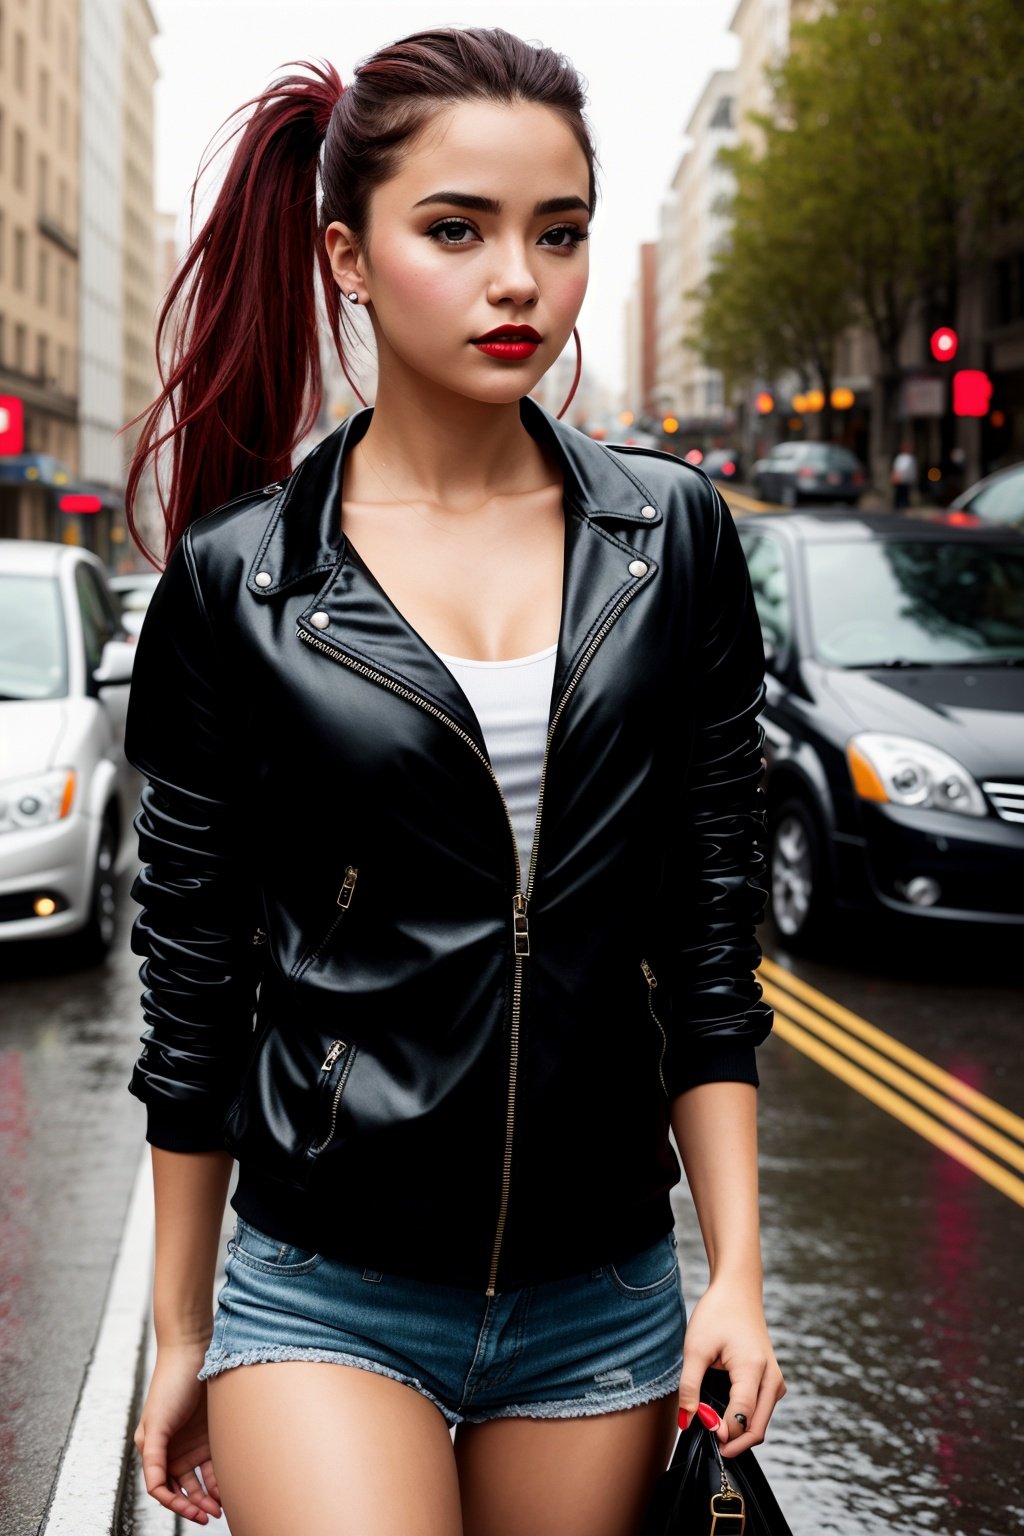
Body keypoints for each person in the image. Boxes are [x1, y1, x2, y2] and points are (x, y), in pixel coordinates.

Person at [124, 28, 785, 1536]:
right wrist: (180, 1332)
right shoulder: (243, 579)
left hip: (598, 1295)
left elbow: (705, 938)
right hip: (323, 1290)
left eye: (558, 236)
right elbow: (194, 975)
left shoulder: (671, 542)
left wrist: (736, 1272)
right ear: (347, 258)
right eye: (458, 229)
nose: (519, 282)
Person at [890, 441, 918, 510]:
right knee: (900, 494)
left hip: (908, 480)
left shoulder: (911, 457)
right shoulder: (901, 457)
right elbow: (898, 469)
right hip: (901, 479)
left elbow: (913, 469)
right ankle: (898, 507)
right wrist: (895, 477)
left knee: (906, 494)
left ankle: (904, 507)